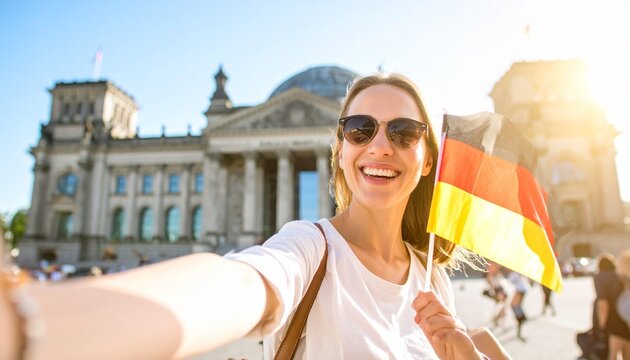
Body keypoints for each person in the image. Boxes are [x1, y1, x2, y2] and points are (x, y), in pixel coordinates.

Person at [1, 73, 502, 360]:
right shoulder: (309, 248)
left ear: (428, 157)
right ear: (340, 146)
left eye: (404, 132)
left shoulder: (430, 274)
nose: (379, 145)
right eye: (359, 128)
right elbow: (238, 285)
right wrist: (31, 324)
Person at [594, 251, 630, 359]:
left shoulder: (601, 277)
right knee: (627, 356)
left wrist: (601, 325)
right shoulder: (621, 275)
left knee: (612, 355)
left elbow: (603, 303)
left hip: (613, 323)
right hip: (626, 321)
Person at [507, 270, 529, 340]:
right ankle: (521, 320)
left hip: (520, 289)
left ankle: (521, 319)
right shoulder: (520, 272)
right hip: (522, 289)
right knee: (516, 306)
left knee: (515, 306)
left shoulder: (515, 273)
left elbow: (510, 280)